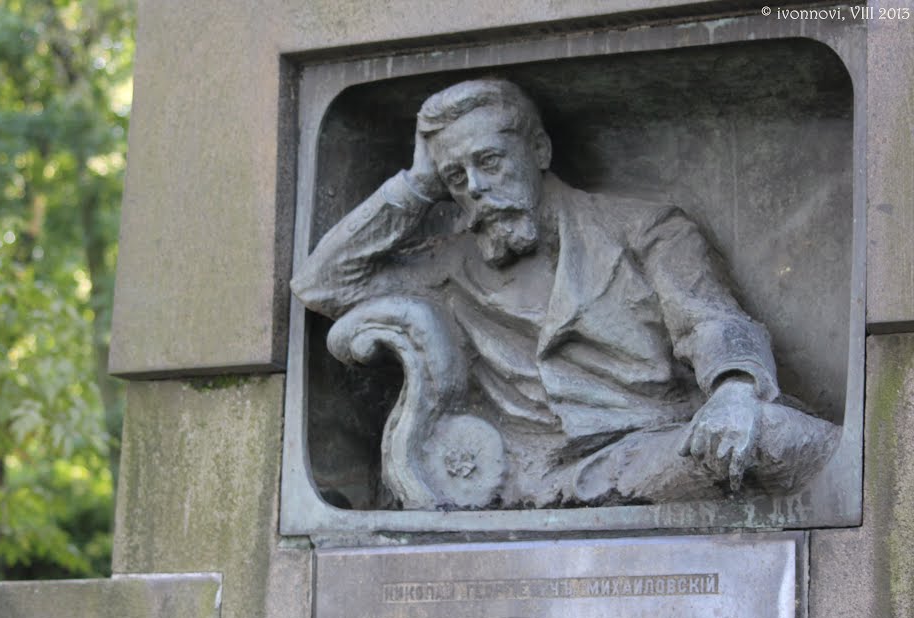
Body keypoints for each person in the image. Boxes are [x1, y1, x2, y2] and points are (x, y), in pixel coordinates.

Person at [292, 79, 838, 509]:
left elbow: (711, 322)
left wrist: (734, 391)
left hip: (651, 449)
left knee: (775, 436)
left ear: (539, 150)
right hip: (520, 474)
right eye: (456, 178)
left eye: (488, 161)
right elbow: (322, 284)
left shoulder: (645, 228)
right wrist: (416, 184)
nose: (475, 188)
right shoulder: (450, 266)